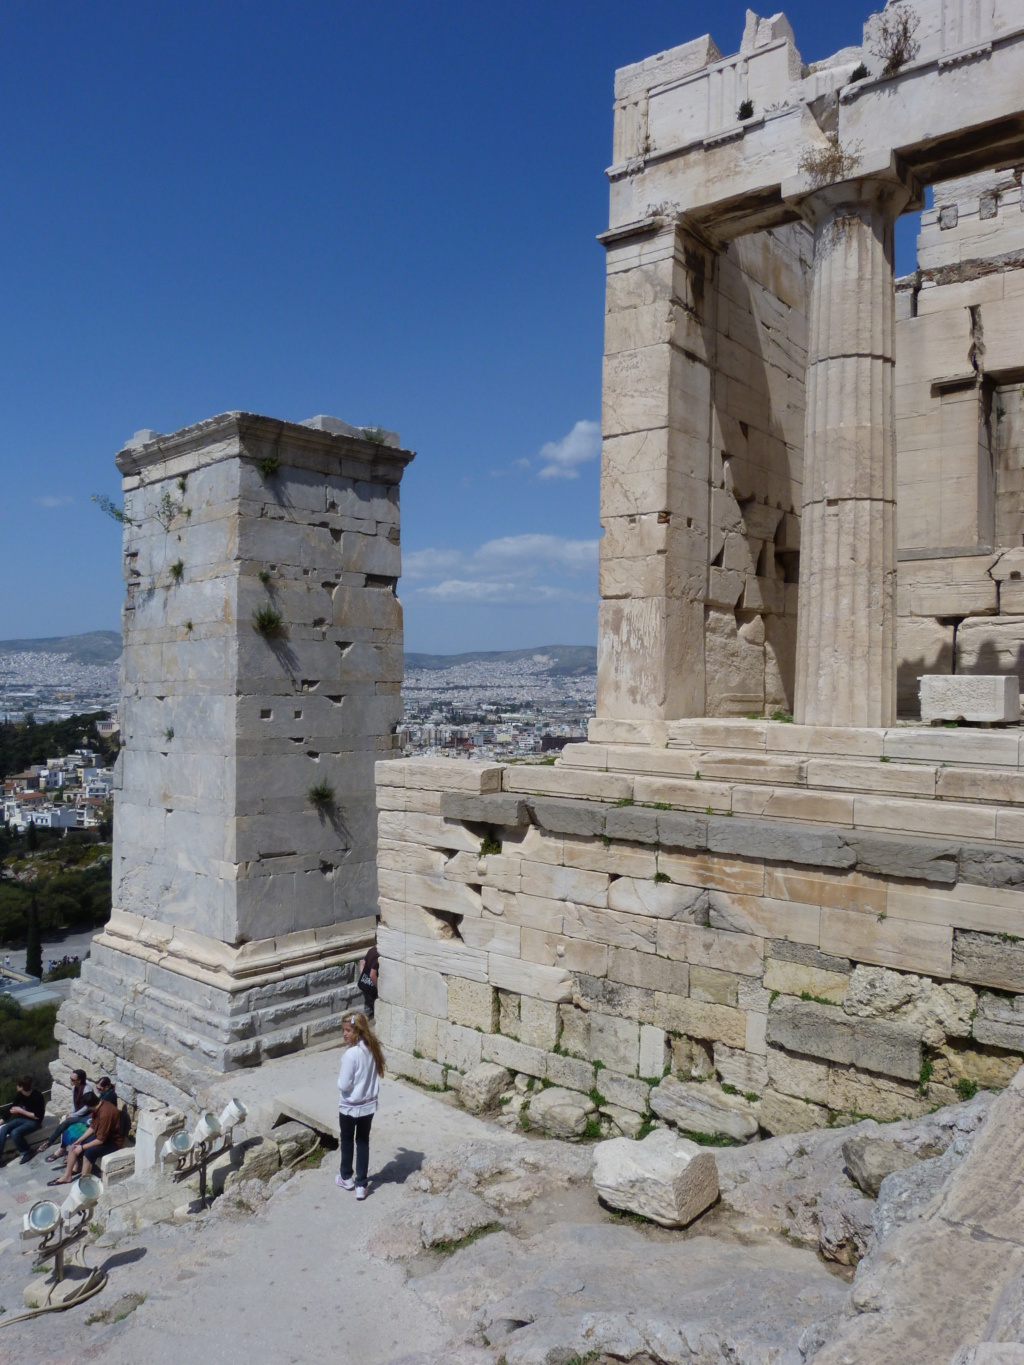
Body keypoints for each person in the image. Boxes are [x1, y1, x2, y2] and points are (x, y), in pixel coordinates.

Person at [336, 1012, 385, 1200]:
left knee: (347, 1140)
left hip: (349, 1106)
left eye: (348, 1030)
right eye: (343, 1030)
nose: (344, 1034)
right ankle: (361, 1184)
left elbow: (344, 1084)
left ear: (358, 1031)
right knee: (363, 1141)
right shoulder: (372, 1049)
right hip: (368, 1106)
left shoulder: (351, 1055)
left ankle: (346, 1176)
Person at [50, 1090, 123, 1184]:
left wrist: (82, 1147)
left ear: (89, 1106)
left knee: (88, 1153)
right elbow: (93, 1127)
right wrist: (80, 1140)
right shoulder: (99, 1106)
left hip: (113, 1141)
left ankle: (83, 1181)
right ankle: (67, 1176)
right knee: (74, 1145)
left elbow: (100, 1140)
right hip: (102, 1136)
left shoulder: (105, 1114)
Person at [0, 1076, 46, 1164]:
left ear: (21, 1087)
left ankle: (27, 1152)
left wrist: (21, 1110)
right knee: (3, 1129)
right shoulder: (20, 1095)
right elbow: (12, 1108)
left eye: (18, 1085)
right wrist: (2, 1121)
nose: (16, 1087)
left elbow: (38, 1116)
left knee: (15, 1133)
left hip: (35, 1122)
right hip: (22, 1119)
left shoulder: (37, 1096)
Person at [357, 943, 379, 1019]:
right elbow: (372, 974)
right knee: (374, 1012)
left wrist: (363, 976)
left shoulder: (371, 950)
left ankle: (359, 1027)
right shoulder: (378, 956)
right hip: (372, 989)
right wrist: (378, 988)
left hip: (365, 985)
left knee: (368, 1012)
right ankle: (359, 1028)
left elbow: (362, 963)